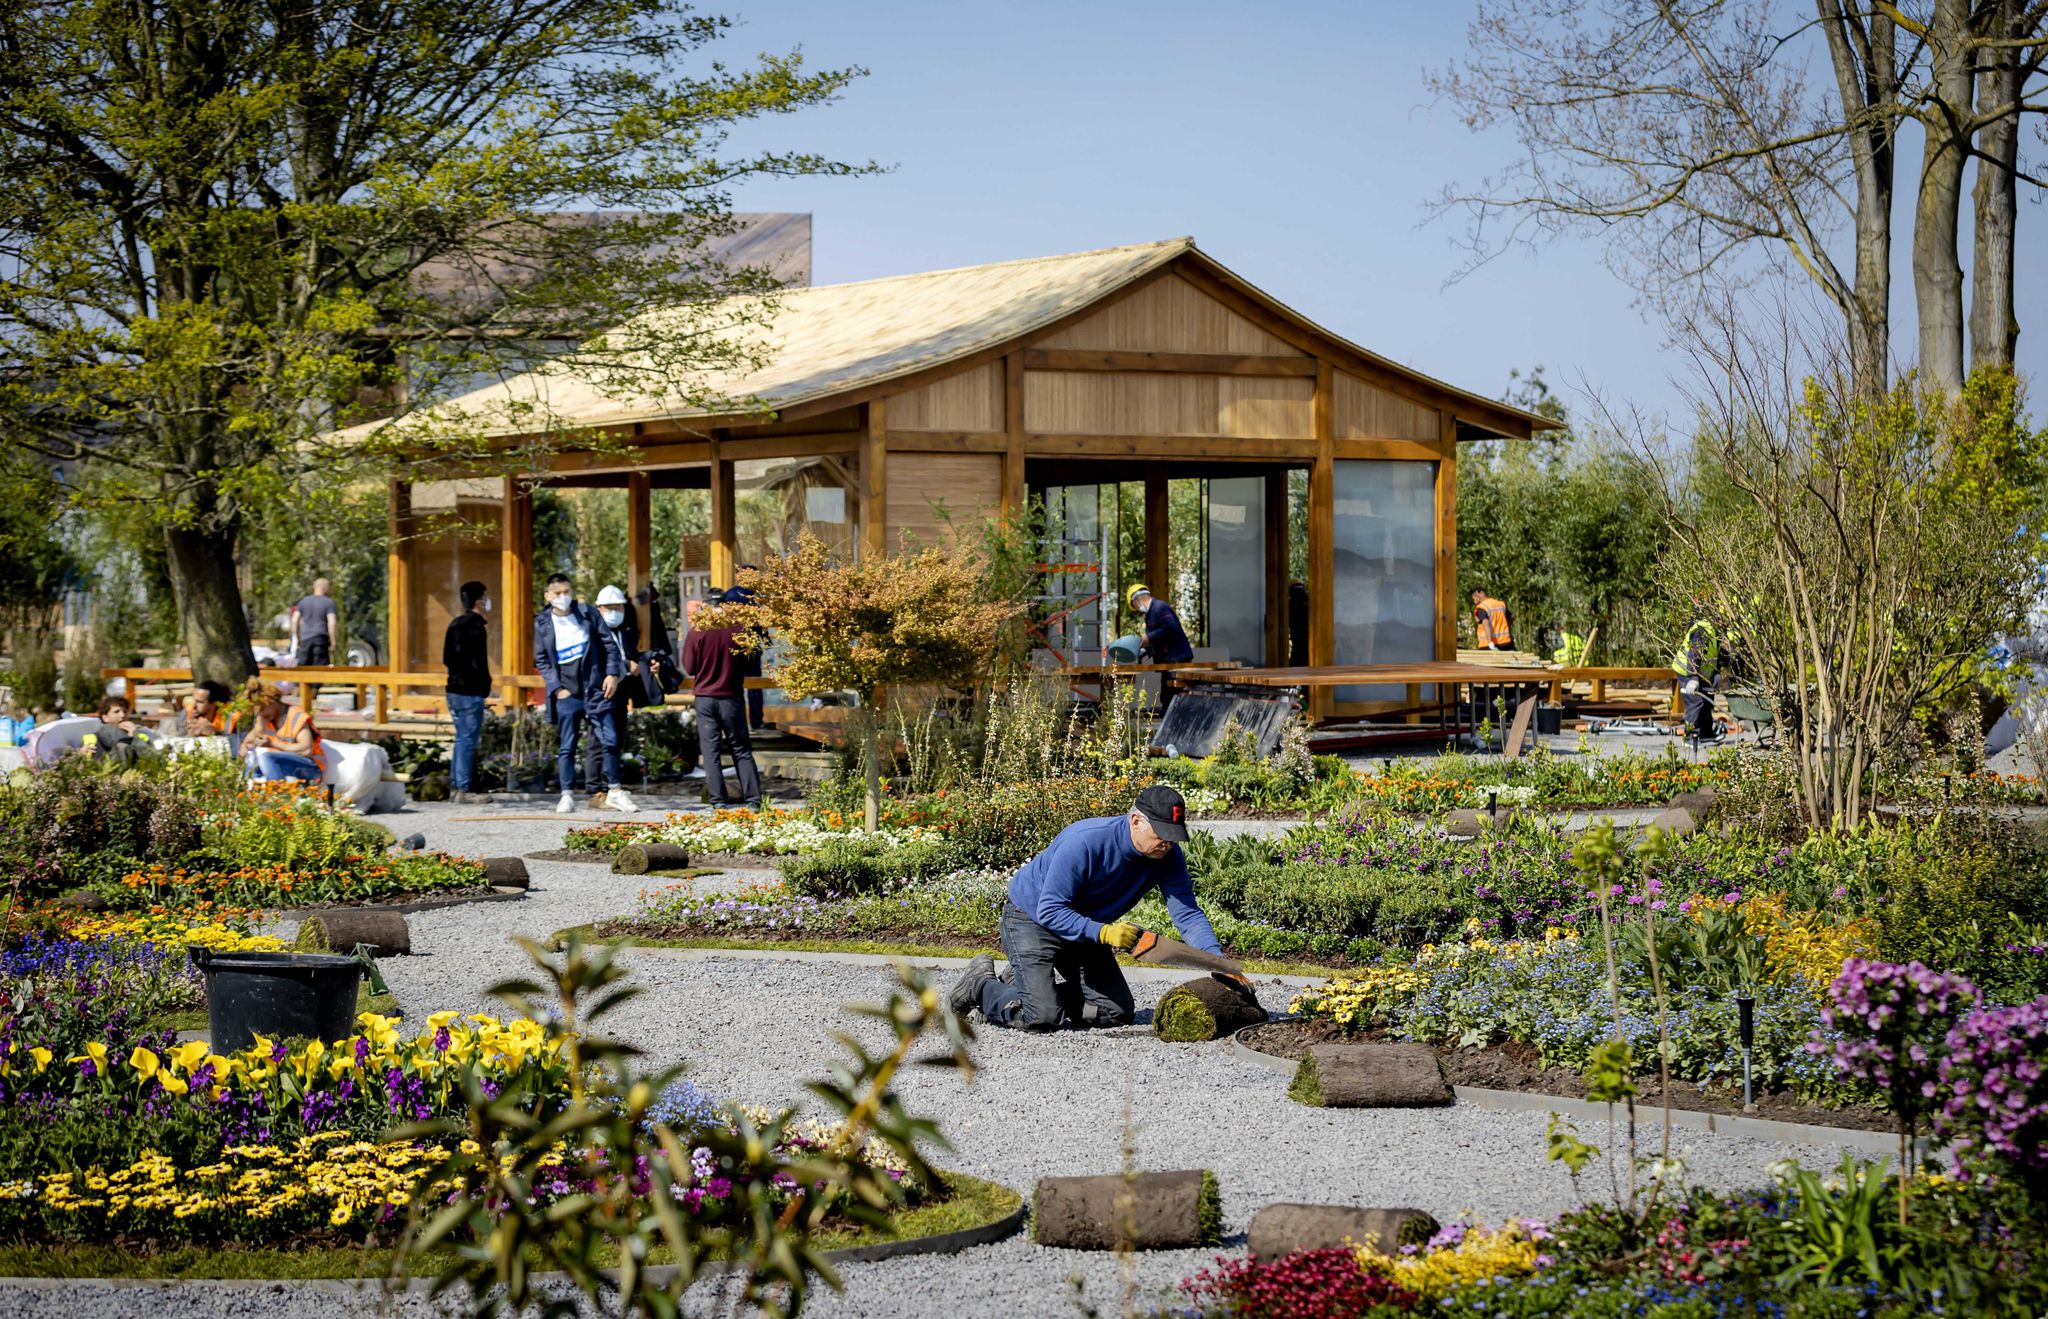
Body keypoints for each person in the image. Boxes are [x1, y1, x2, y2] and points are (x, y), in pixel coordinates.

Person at [947, 786, 1244, 1030]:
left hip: (1086, 927)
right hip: (1032, 919)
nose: (1168, 844)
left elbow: (1188, 913)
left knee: (1114, 1012)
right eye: (1162, 835)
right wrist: (1103, 932)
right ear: (1136, 821)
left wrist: (1217, 962)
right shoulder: (1085, 842)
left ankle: (1024, 986)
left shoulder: (1167, 856)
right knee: (1041, 1018)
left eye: (1173, 836)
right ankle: (980, 986)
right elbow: (1050, 909)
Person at [533, 573, 626, 814]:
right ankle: (566, 795)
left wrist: (612, 674)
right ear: (548, 596)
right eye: (557, 593)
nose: (563, 597)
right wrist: (556, 688)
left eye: (566, 592)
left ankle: (615, 791)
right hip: (567, 694)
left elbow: (609, 645)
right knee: (567, 746)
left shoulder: (587, 613)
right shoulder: (542, 622)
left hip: (595, 689)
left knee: (611, 739)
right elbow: (541, 659)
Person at [682, 590, 761, 808]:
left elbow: (689, 667)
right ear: (725, 605)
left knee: (710, 752)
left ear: (705, 606)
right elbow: (751, 662)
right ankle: (753, 800)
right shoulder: (739, 630)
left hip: (705, 698)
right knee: (742, 750)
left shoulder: (697, 631)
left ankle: (718, 802)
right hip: (731, 697)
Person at [584, 585, 640, 813]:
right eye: (610, 607)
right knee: (598, 743)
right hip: (600, 693)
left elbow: (627, 655)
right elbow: (598, 662)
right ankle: (594, 790)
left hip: (620, 694)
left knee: (615, 741)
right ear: (599, 608)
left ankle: (611, 788)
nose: (615, 611)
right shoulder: (592, 633)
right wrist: (626, 666)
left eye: (618, 607)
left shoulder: (624, 631)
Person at [444, 579, 492, 804]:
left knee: (460, 738)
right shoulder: (475, 628)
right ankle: (463, 788)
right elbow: (478, 663)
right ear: (478, 601)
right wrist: (483, 685)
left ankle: (456, 786)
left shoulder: (454, 624)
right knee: (467, 739)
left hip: (452, 690)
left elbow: (447, 658)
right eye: (485, 597)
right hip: (469, 692)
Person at [243, 678, 326, 781]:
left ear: (272, 701)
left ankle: (277, 792)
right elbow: (247, 742)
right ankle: (251, 792)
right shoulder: (266, 718)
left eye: (262, 708)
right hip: (282, 765)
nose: (261, 713)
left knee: (266, 757)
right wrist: (251, 740)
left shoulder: (296, 716)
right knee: (253, 764)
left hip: (309, 767)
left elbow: (306, 749)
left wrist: (273, 744)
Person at [289, 577, 341, 709]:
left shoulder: (304, 601)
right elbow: (332, 622)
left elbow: (295, 620)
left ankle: (299, 698)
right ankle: (312, 697)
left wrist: (297, 637)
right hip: (320, 637)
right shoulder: (329, 603)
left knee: (302, 666)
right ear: (324, 588)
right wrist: (333, 640)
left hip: (305, 639)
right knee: (319, 667)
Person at [1674, 615, 1722, 743]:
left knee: (1707, 700)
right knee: (1696, 702)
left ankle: (1706, 733)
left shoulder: (1715, 630)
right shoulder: (1703, 629)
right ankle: (1691, 737)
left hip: (1703, 673)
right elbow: (1694, 654)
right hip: (1687, 671)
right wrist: (1693, 678)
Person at [165, 680, 240, 740]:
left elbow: (237, 742)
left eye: (200, 702)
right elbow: (177, 740)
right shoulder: (186, 713)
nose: (194, 705)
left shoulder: (230, 716)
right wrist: (190, 734)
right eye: (194, 700)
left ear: (213, 704)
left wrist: (214, 733)